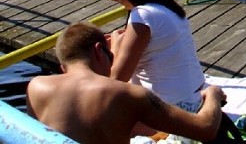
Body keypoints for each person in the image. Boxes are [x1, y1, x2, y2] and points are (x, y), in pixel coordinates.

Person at [26, 21, 225, 144]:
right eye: (111, 57)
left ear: (63, 68)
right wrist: (212, 95)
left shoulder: (36, 87)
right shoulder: (128, 94)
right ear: (98, 50)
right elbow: (205, 129)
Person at [106, 0, 206, 111]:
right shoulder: (168, 7)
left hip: (173, 109)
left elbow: (117, 80)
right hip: (196, 98)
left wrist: (115, 46)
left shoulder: (142, 15)